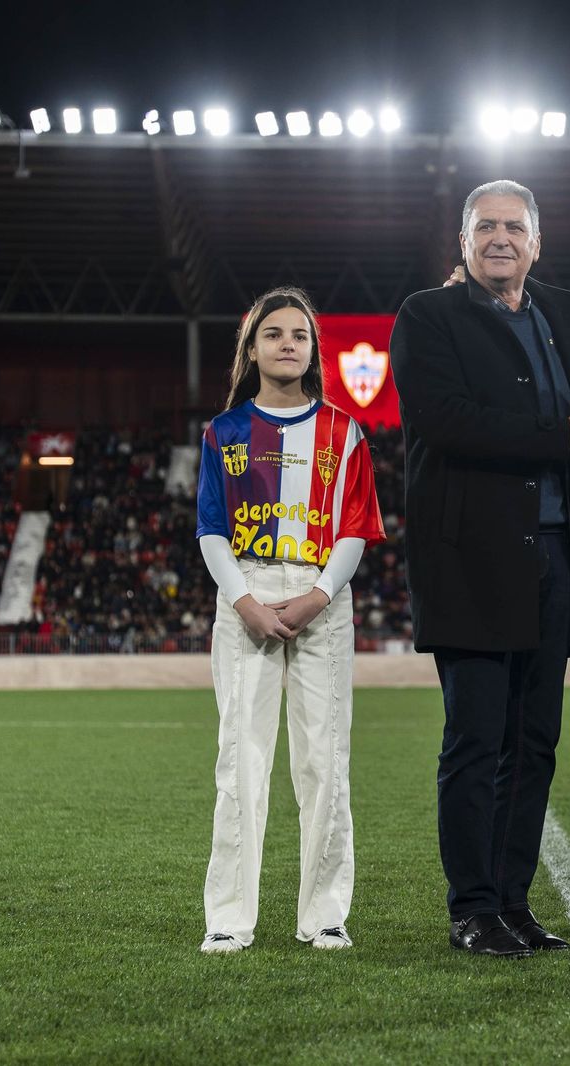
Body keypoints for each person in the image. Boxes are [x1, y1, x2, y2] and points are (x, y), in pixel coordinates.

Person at [390, 180, 570, 959]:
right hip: (471, 559)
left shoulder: (557, 313)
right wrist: (560, 433)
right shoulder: (428, 315)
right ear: (462, 241)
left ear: (537, 241)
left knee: (534, 743)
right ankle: (471, 908)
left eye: (514, 226)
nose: (500, 237)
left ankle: (514, 903)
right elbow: (444, 420)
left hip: (553, 556)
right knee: (475, 740)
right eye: (485, 225)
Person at [195, 286, 385, 954]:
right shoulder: (223, 433)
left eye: (298, 335)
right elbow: (211, 528)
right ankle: (228, 917)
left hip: (318, 600)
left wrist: (318, 596)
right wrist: (244, 600)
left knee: (325, 763)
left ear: (312, 350)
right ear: (252, 349)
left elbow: (357, 527)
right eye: (272, 334)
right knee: (239, 763)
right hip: (244, 593)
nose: (286, 344)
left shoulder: (344, 430)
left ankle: (324, 915)